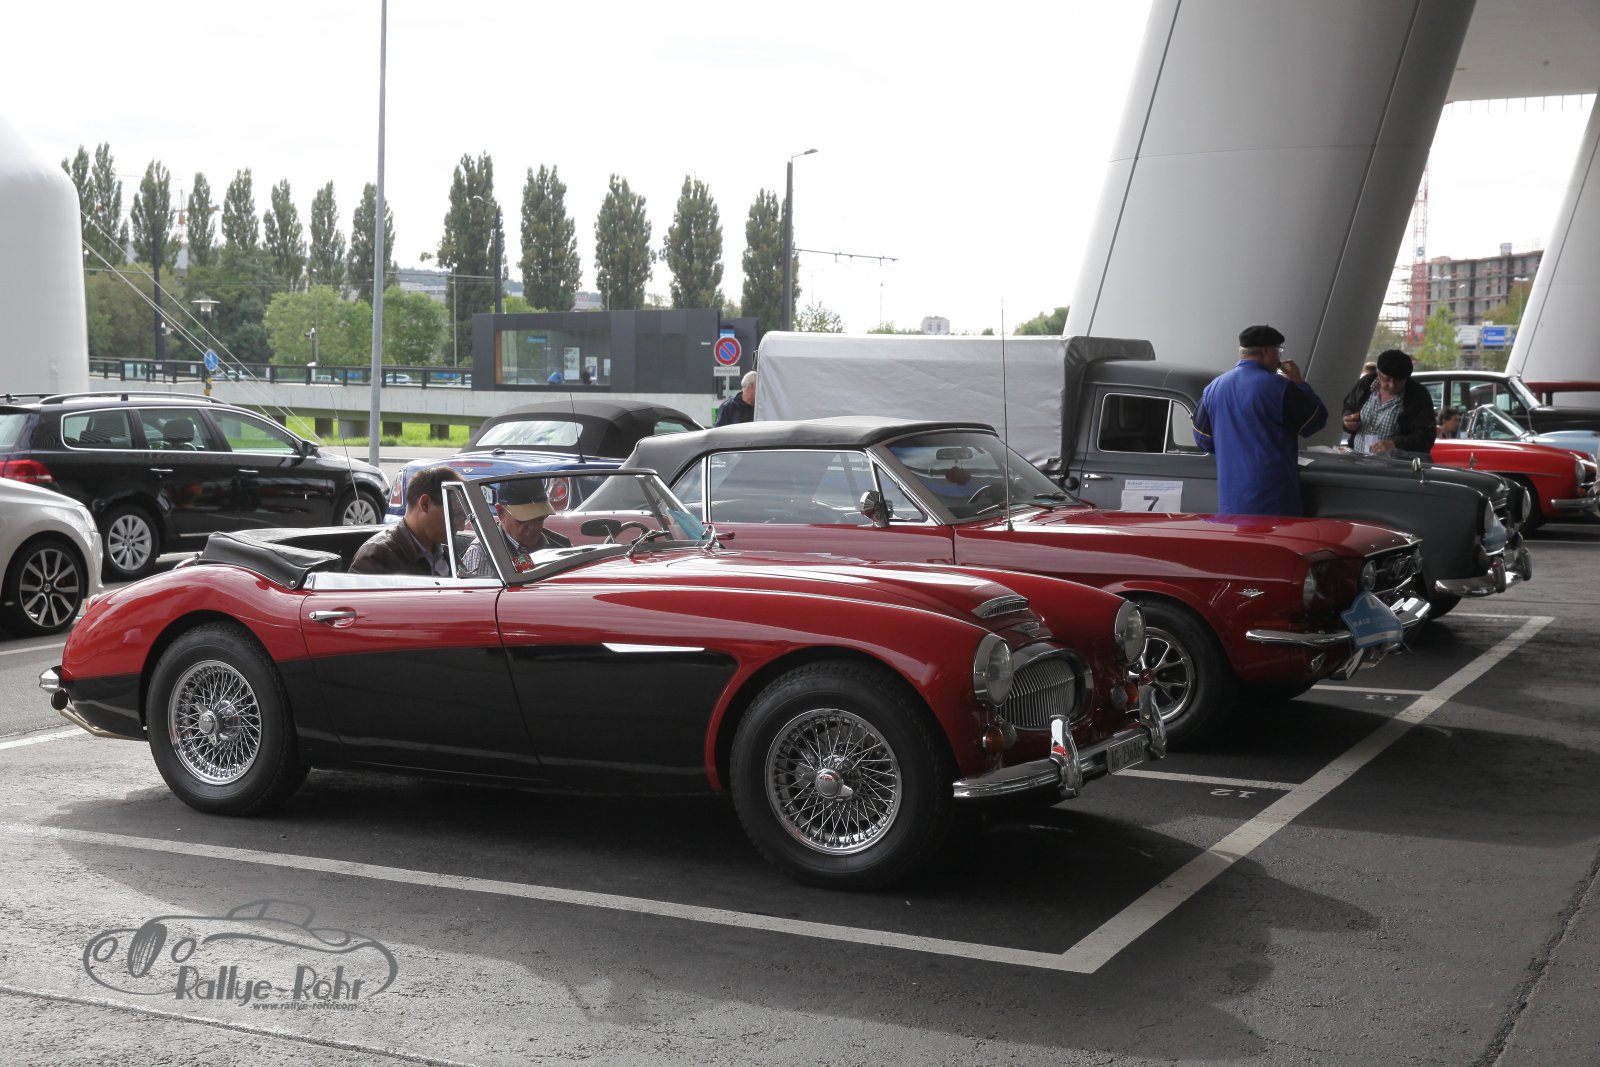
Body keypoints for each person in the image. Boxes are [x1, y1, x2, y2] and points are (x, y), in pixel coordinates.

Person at [1191, 324, 1328, 516]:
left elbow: (1203, 441)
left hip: (1231, 498)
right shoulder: (1279, 387)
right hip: (1275, 498)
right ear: (1267, 351)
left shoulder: (1213, 388)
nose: (1279, 358)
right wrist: (1299, 381)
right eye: (1278, 351)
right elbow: (1316, 420)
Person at [349, 465, 463, 576]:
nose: (461, 526)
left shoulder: (448, 555)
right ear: (425, 504)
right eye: (455, 515)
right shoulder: (376, 557)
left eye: (464, 517)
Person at [461, 478, 571, 576]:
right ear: (501, 513)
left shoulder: (562, 545)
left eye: (540, 518)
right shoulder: (481, 555)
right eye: (524, 519)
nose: (533, 527)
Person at [1341, 348, 1436, 457]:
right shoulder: (1365, 384)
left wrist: (1395, 444)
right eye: (1386, 379)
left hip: (1393, 464)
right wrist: (1348, 421)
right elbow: (1349, 406)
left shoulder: (1417, 395)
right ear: (1378, 373)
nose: (1392, 385)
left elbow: (1427, 436)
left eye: (1398, 381)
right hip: (1358, 458)